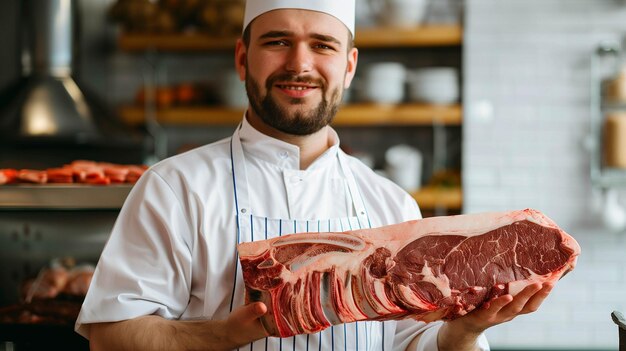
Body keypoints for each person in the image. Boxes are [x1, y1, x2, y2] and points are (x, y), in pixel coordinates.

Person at [75, 0, 554, 350]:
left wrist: (463, 333)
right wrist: (222, 334)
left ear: (348, 67)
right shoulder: (174, 188)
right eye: (277, 41)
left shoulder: (391, 203)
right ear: (243, 58)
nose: (299, 64)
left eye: (321, 45)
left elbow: (414, 343)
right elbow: (111, 335)